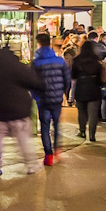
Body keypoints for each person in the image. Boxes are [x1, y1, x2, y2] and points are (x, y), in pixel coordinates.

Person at [0, 39, 41, 176]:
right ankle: (31, 165)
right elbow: (32, 81)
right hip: (19, 109)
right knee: (23, 139)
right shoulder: (16, 66)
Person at [30, 32, 71, 166]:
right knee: (57, 125)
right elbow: (67, 79)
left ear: (39, 44)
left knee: (45, 126)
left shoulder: (36, 62)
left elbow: (32, 82)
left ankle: (48, 155)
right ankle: (57, 151)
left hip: (43, 99)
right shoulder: (60, 61)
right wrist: (63, 92)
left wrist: (35, 95)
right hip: (57, 98)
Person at [70, 38, 104, 143]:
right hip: (94, 89)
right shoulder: (97, 61)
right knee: (93, 114)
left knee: (82, 112)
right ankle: (92, 135)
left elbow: (73, 76)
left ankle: (82, 131)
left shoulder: (76, 60)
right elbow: (100, 79)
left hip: (81, 88)